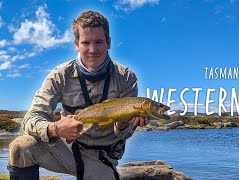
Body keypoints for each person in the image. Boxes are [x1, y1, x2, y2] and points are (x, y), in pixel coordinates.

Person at [7, 10, 149, 180]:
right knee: (21, 147)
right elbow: (30, 119)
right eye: (85, 42)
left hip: (102, 157)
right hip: (64, 149)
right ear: (76, 43)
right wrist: (56, 128)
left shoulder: (127, 78)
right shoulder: (59, 75)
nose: (92, 50)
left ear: (109, 43)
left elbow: (124, 134)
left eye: (99, 42)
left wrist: (123, 124)